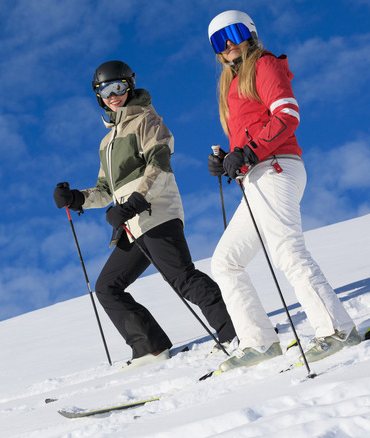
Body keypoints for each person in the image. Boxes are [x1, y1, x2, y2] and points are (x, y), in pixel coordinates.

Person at [53, 60, 236, 370]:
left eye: (119, 87)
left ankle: (236, 330)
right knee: (107, 287)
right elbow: (106, 190)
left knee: (182, 277)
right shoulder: (107, 142)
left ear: (130, 86)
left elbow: (159, 165)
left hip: (156, 212)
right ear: (98, 96)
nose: (113, 95)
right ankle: (150, 347)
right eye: (105, 90)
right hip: (132, 224)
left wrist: (136, 201)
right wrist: (76, 199)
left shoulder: (146, 121)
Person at [205, 11, 360, 372]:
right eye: (218, 41)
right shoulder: (230, 85)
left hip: (276, 168)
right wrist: (228, 159)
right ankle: (259, 341)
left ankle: (337, 328)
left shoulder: (265, 65)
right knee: (225, 262)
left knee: (287, 250)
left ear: (250, 34)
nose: (227, 45)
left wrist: (250, 152)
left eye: (233, 34)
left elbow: (287, 114)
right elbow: (247, 137)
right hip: (256, 175)